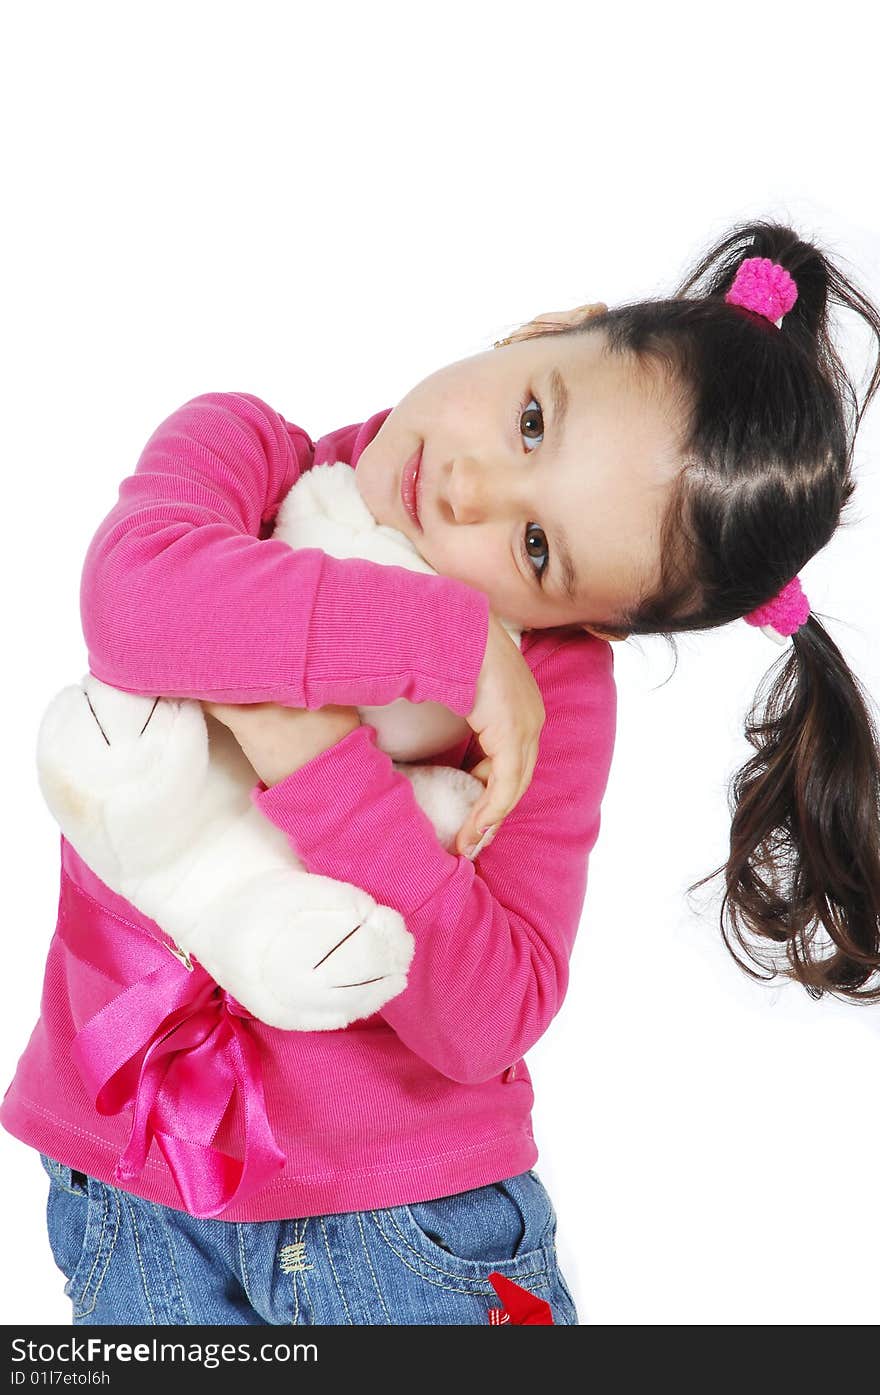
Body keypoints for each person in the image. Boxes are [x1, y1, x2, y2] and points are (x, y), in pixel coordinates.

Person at [3, 218, 880, 1326]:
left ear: (592, 624)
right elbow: (136, 607)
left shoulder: (550, 688)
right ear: (548, 330)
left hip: (403, 1228)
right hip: (128, 1187)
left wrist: (317, 762)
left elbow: (491, 1013)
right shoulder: (242, 458)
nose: (470, 493)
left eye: (535, 551)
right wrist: (449, 642)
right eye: (530, 421)